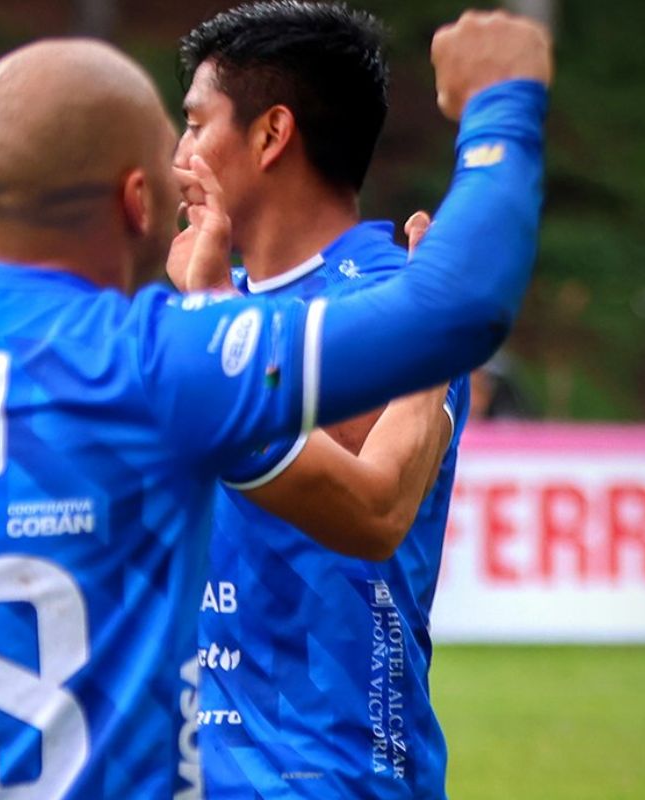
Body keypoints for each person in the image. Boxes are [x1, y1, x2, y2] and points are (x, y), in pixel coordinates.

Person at [0, 12, 551, 799]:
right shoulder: (147, 361)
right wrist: (502, 101)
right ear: (138, 200)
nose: (182, 163)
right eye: (171, 144)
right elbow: (456, 311)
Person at [170, 3, 470, 796]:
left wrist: (215, 318)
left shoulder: (401, 300)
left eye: (195, 126)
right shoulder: (196, 299)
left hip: (333, 776)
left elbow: (364, 490)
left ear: (271, 134)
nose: (179, 157)